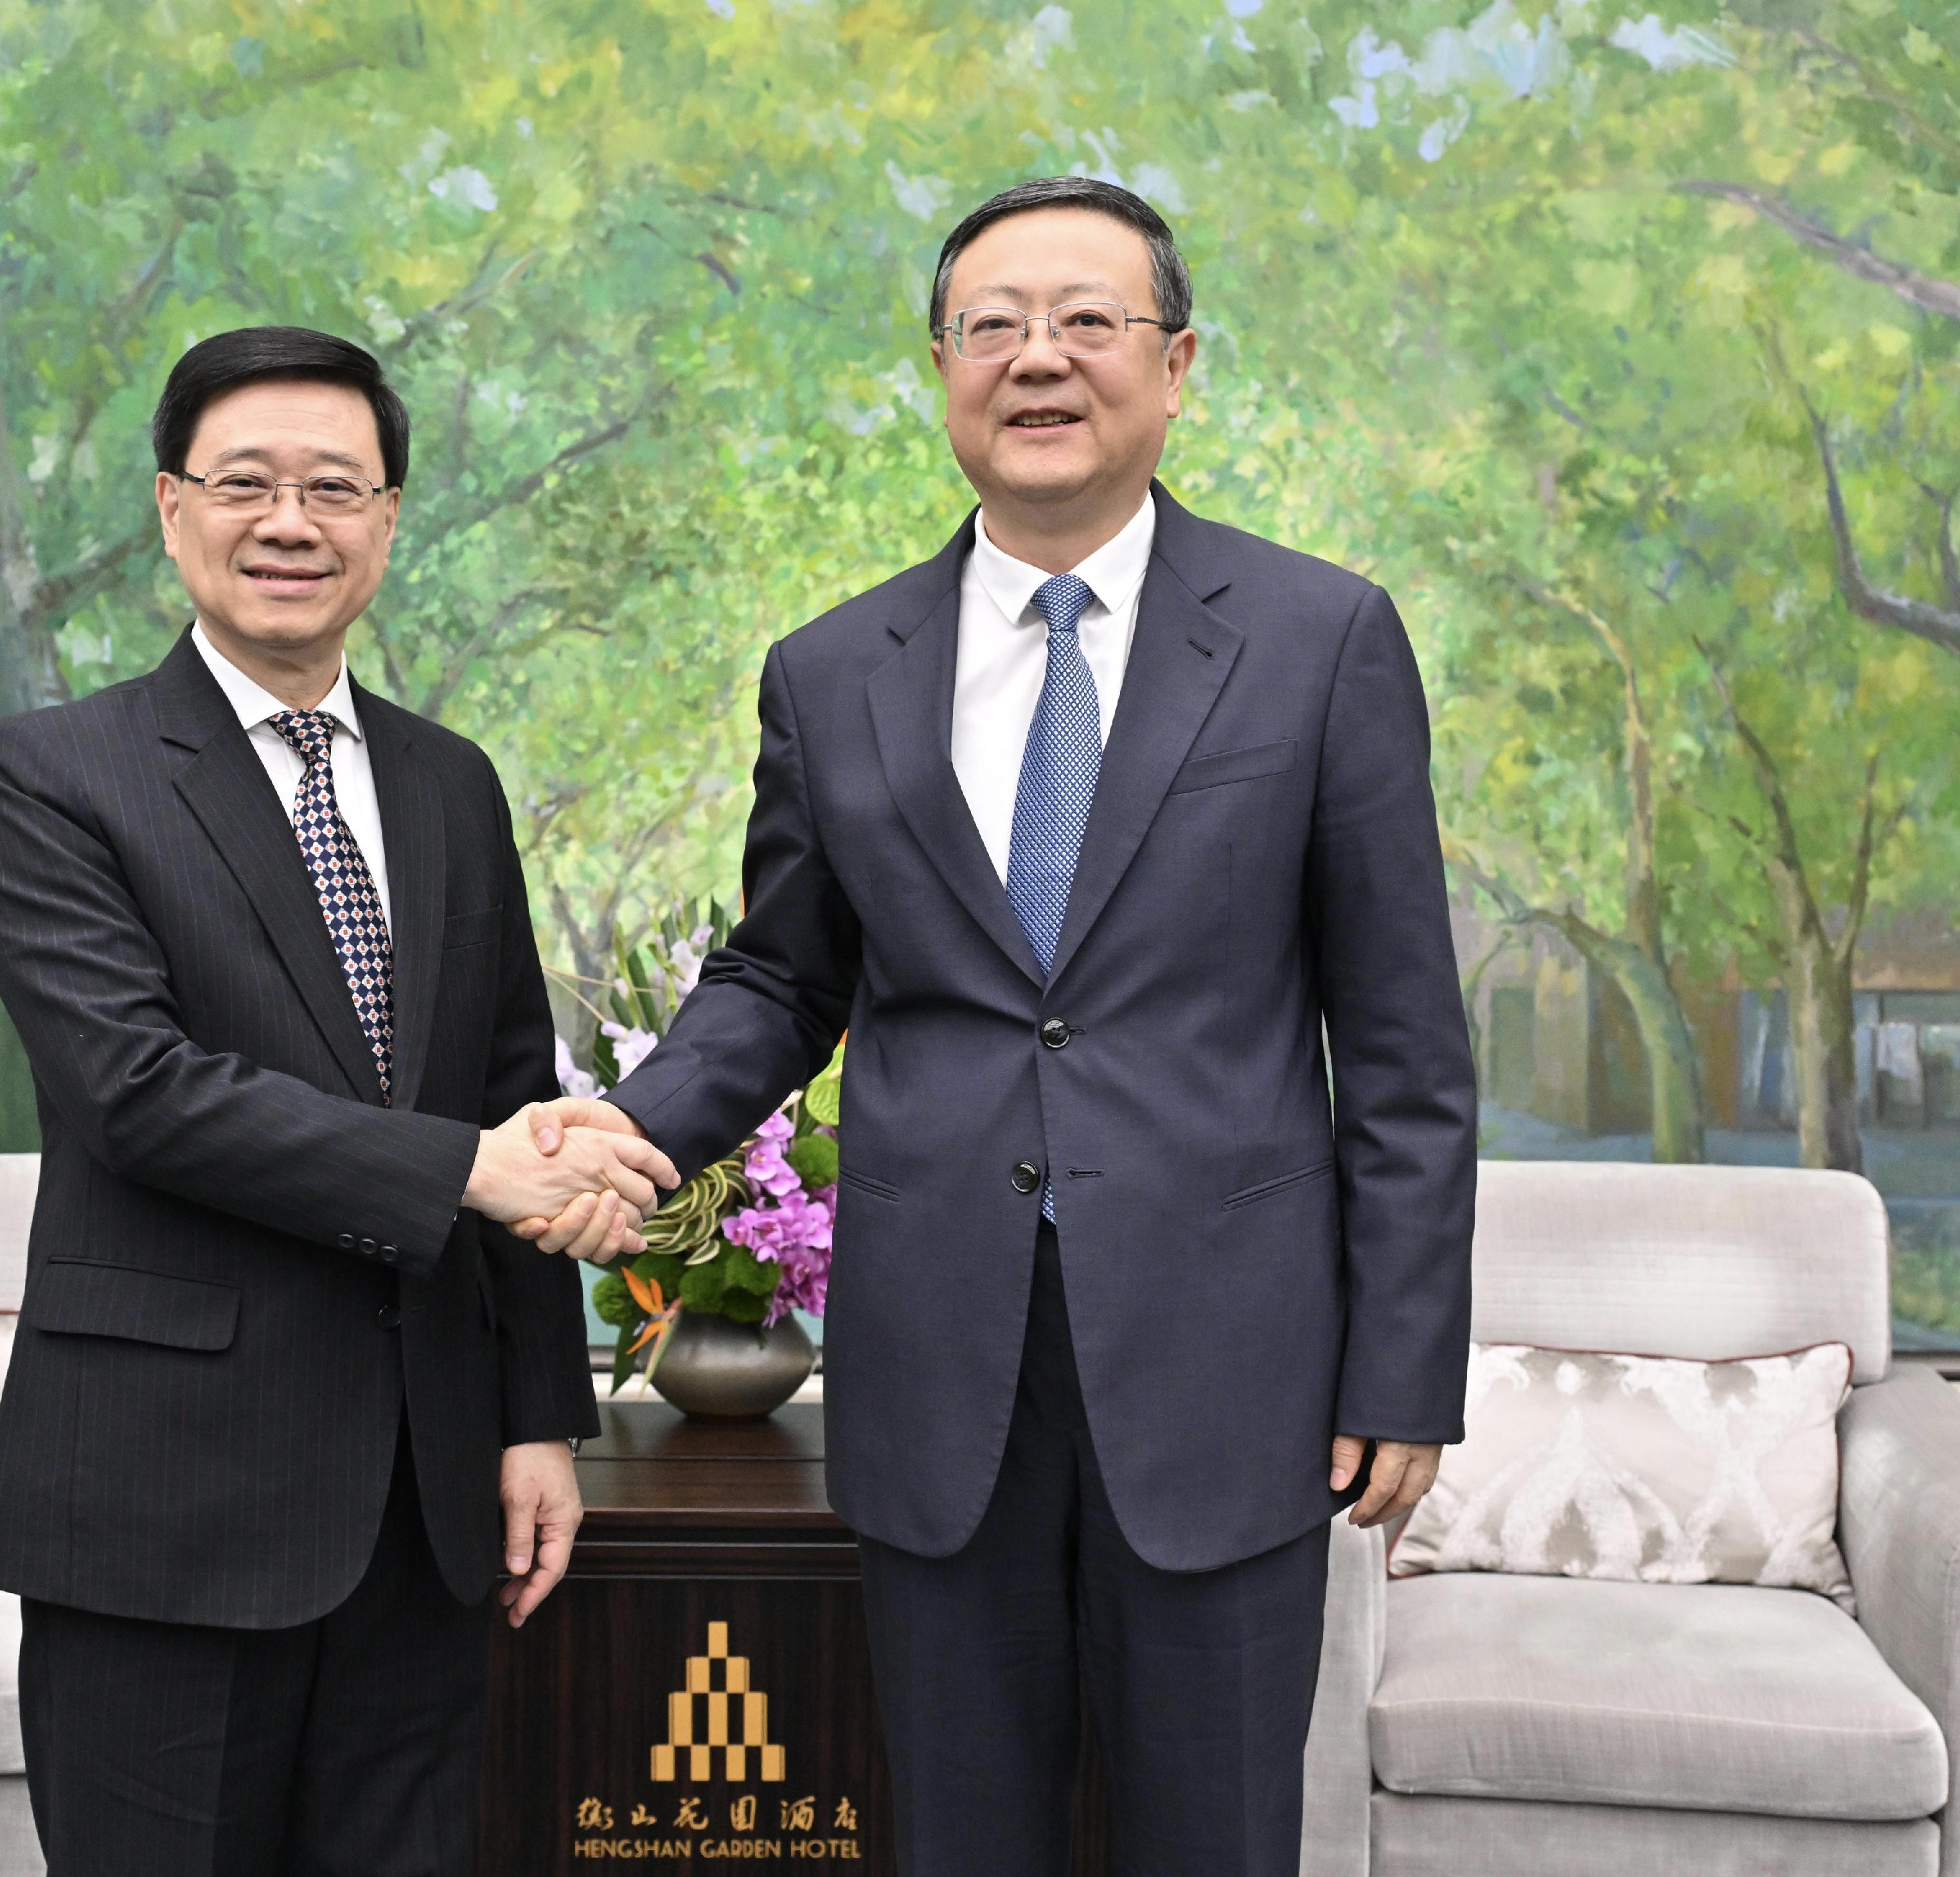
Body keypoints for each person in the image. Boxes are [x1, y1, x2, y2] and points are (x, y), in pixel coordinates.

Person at [520, 177, 1477, 1874]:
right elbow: (782, 972)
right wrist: (645, 1127)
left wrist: (1404, 1361)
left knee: (1216, 1840)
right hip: (939, 1366)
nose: (1039, 358)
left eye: (1088, 321)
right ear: (942, 369)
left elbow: (1403, 1050)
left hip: (1229, 1373)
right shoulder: (833, 670)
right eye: (993, 325)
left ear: (1177, 367)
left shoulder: (1322, 640)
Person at [0, 325, 675, 1877]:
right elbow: (136, 1091)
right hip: (163, 1499)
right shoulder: (53, 775)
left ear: (388, 522)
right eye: (247, 484)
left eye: (334, 488)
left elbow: (505, 1101)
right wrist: (470, 1175)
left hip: (422, 1514)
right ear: (171, 510)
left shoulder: (448, 783)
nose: (290, 522)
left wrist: (540, 1423)